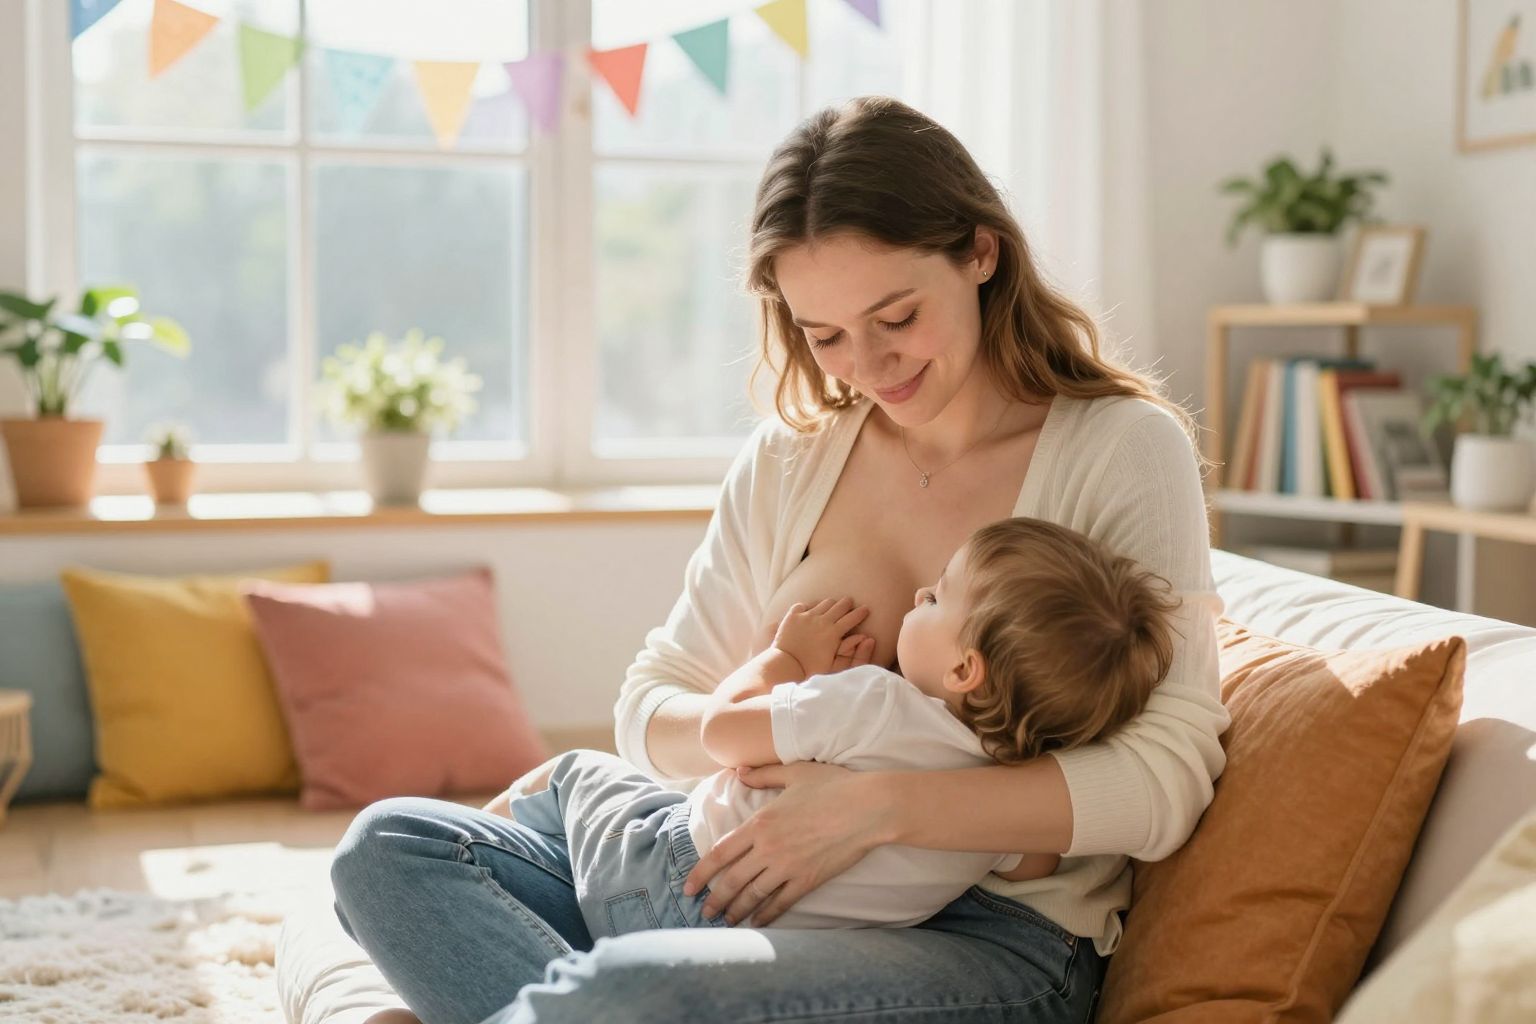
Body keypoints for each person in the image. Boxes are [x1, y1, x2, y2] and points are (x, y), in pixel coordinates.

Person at [327, 94, 1229, 1024]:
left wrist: (880, 808)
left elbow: (1165, 779)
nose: (870, 366)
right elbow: (650, 708)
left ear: (980, 252)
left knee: (635, 993)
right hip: (737, 885)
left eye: (896, 316)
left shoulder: (1121, 446)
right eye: (825, 335)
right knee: (388, 849)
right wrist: (766, 712)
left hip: (988, 934)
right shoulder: (793, 457)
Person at [481, 518, 1179, 944]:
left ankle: (488, 838)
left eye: (937, 597)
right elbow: (1036, 867)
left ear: (966, 668)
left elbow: (721, 736)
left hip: (672, 880)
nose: (916, 594)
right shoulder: (1000, 811)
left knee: (575, 773)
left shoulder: (873, 701)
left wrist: (786, 661)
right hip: (767, 940)